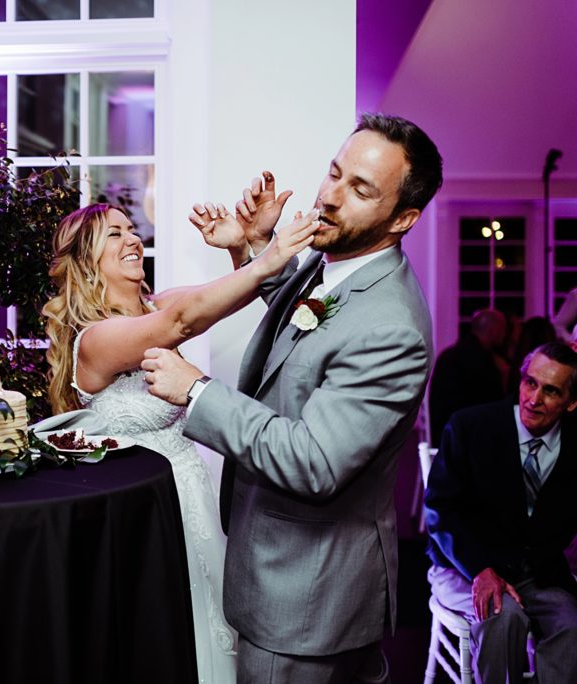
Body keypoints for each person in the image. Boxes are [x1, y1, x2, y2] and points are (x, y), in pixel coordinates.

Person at [139, 113, 443, 682]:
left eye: (360, 189)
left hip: (308, 593)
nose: (329, 197)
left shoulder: (392, 326)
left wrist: (196, 391)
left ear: (404, 218)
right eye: (334, 172)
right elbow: (304, 337)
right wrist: (254, 248)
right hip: (284, 570)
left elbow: (316, 461)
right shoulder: (338, 269)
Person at [42, 202, 319, 682]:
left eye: (132, 229)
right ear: (86, 260)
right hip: (142, 513)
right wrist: (273, 256)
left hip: (193, 492)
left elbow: (230, 298)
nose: (132, 239)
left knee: (215, 625)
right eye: (114, 235)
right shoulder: (95, 340)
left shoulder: (158, 303)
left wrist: (242, 246)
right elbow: (182, 324)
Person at [425, 341, 577, 682]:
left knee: (571, 624)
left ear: (572, 403)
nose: (533, 399)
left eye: (551, 391)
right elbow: (441, 509)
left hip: (538, 573)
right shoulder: (470, 426)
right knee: (503, 616)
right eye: (530, 382)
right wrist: (481, 568)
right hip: (465, 566)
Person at [428, 309, 508, 445]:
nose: (505, 335)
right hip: (461, 440)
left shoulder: (450, 354)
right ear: (493, 331)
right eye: (503, 330)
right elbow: (495, 404)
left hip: (442, 433)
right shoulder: (482, 361)